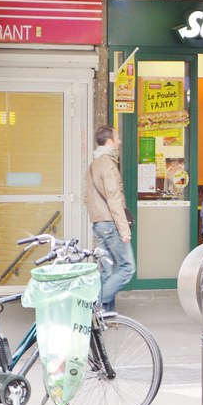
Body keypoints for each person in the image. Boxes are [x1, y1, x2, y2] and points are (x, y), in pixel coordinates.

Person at [86, 125, 135, 313]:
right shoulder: (108, 166)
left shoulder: (94, 164)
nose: (120, 141)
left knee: (108, 270)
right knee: (126, 268)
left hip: (99, 223)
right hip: (110, 224)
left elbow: (87, 197)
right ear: (109, 141)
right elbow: (114, 200)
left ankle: (105, 315)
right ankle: (96, 305)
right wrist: (124, 230)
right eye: (118, 138)